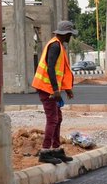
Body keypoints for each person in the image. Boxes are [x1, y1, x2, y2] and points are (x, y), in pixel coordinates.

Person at [31, 20, 77, 165]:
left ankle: (56, 149)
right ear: (66, 34)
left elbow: (60, 71)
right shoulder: (55, 46)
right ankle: (45, 151)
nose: (71, 37)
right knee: (52, 119)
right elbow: (50, 68)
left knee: (58, 118)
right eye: (70, 34)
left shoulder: (59, 45)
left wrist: (67, 89)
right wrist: (56, 90)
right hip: (47, 88)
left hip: (50, 88)